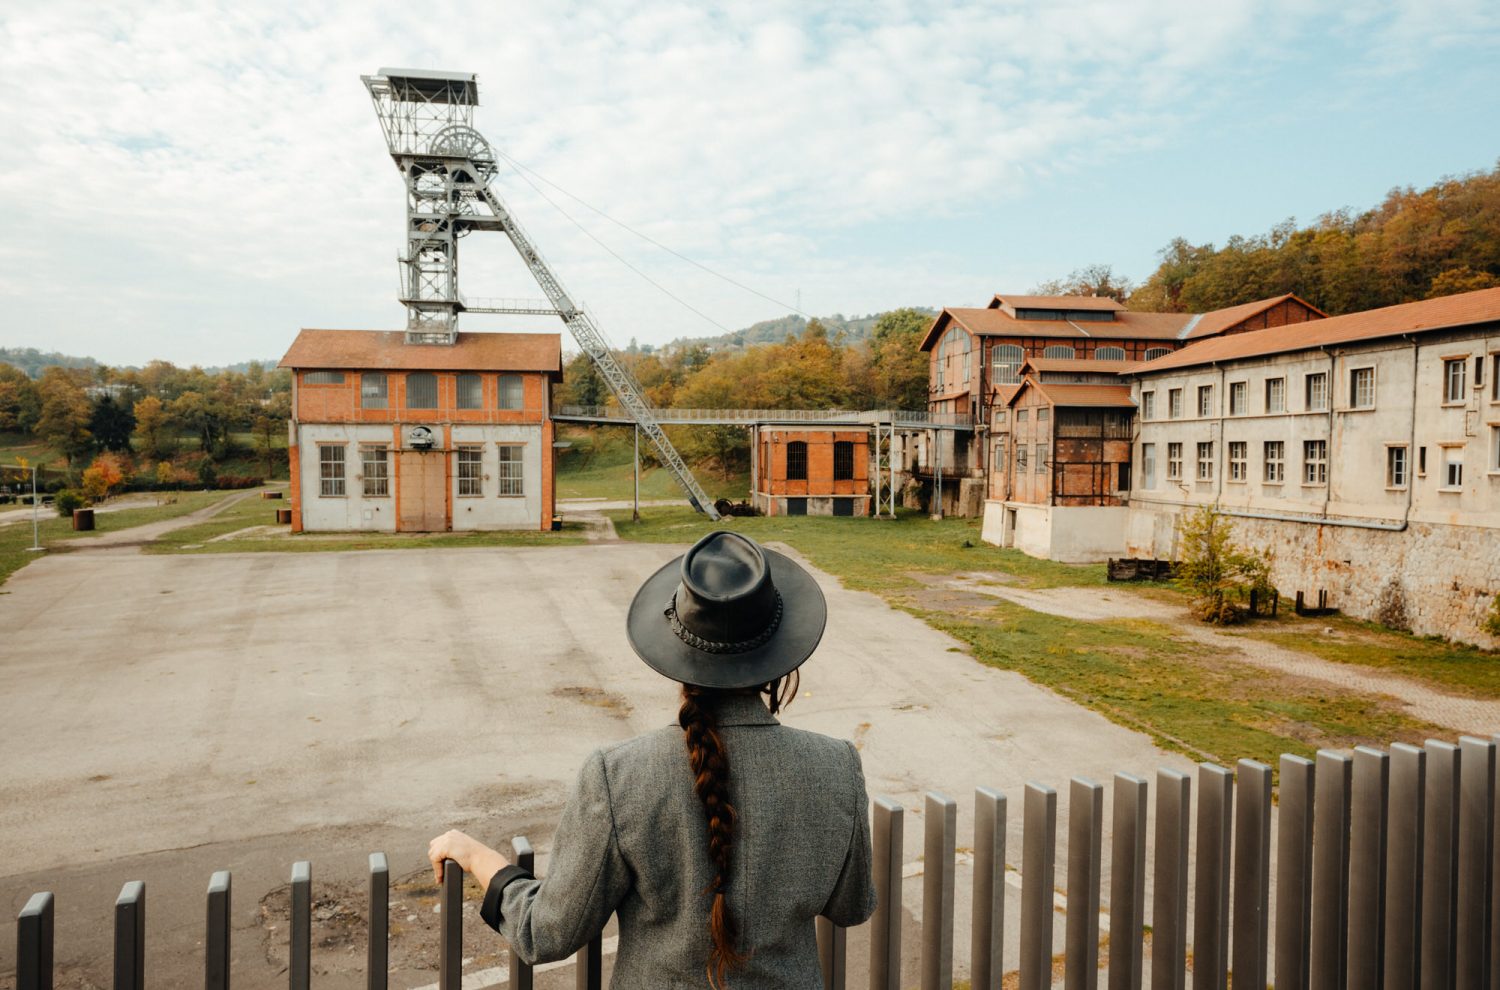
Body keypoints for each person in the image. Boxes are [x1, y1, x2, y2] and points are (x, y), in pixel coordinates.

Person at [428, 530, 877, 988]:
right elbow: (852, 905)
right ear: (780, 652)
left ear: (675, 644)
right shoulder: (835, 766)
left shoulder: (617, 775)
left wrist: (475, 855)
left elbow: (546, 932)